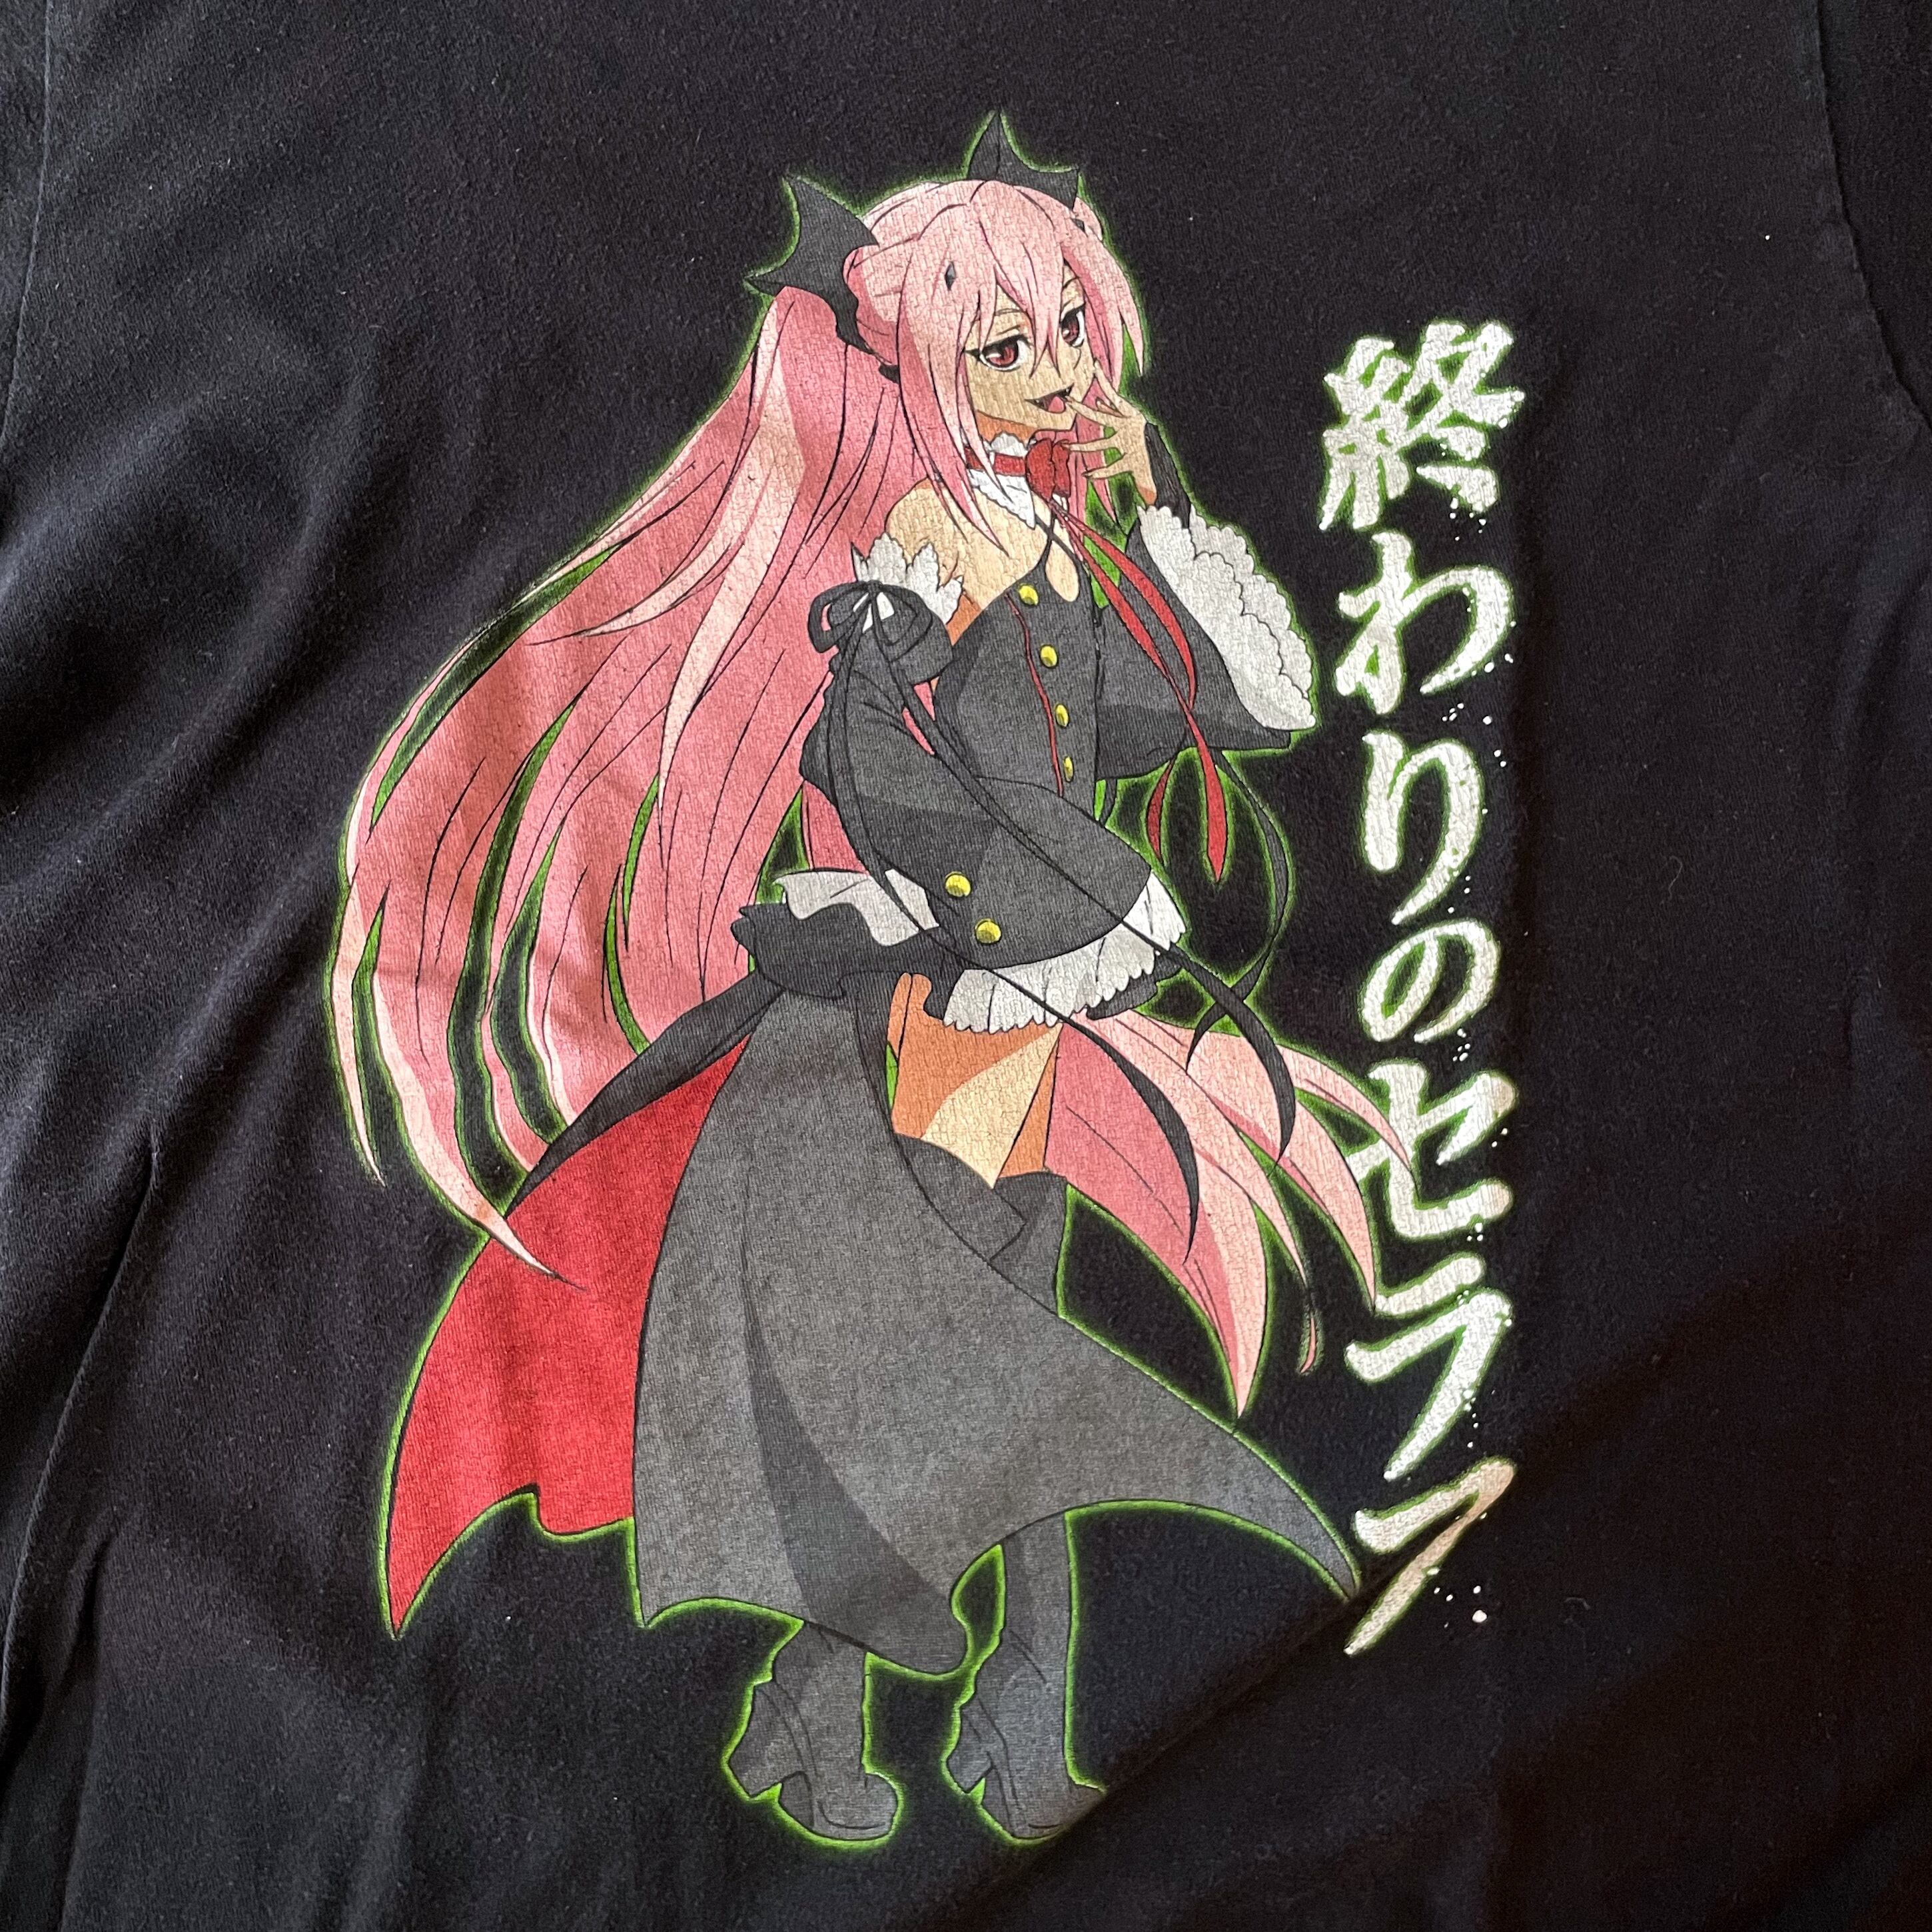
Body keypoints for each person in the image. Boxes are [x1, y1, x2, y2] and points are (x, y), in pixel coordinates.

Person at [327, 117, 1405, 1845]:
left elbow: (1196, 715)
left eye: (1069, 334)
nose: (1057, 375)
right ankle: (951, 1726)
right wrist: (1077, 906)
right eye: (1008, 346)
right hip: (922, 1014)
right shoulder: (907, 568)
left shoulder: (1035, 542)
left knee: (988, 1380)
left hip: (1025, 1007)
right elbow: (893, 781)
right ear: (921, 365)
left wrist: (1162, 522)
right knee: (981, 1386)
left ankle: (875, 1720)